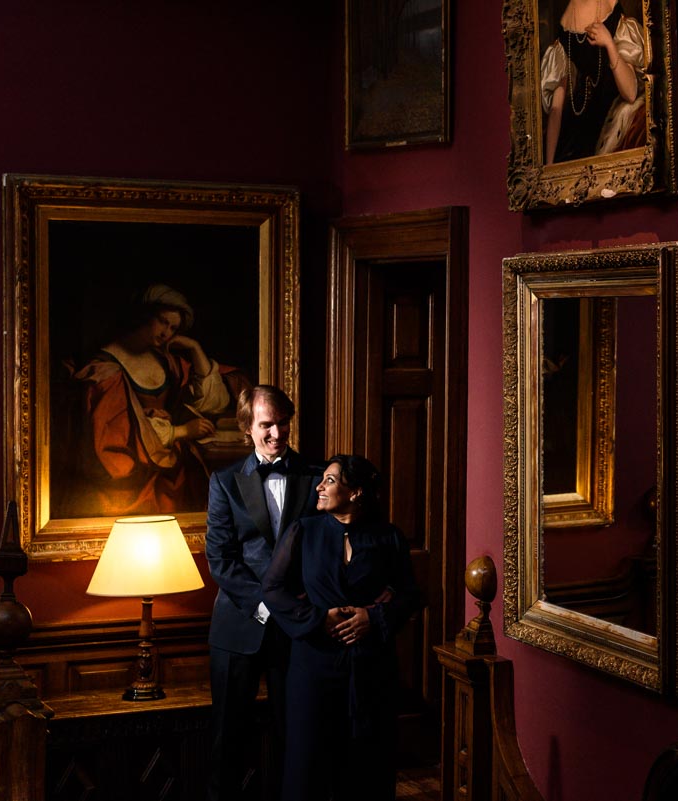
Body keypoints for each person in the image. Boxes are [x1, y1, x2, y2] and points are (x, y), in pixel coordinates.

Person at [262, 454, 420, 801]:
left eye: (330, 481)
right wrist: (319, 619)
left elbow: (410, 594)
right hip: (312, 667)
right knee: (307, 768)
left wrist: (372, 618)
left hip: (371, 670)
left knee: (368, 768)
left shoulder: (388, 537)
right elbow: (273, 589)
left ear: (356, 492)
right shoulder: (304, 531)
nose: (319, 486)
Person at [206, 385, 321, 801]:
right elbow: (220, 558)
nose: (276, 432)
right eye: (266, 424)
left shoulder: (315, 475)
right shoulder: (224, 481)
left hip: (298, 628)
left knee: (296, 739)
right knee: (227, 739)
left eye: (282, 422)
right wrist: (264, 605)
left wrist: (297, 609)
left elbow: (322, 548)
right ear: (247, 428)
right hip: (238, 628)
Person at [70, 284, 245, 517]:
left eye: (173, 328)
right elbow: (115, 438)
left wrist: (195, 348)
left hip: (171, 475)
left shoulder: (165, 360)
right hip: (130, 485)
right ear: (143, 316)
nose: (167, 333)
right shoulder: (106, 370)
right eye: (163, 322)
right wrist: (181, 431)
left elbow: (213, 402)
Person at [540, 0, 644, 164]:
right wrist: (549, 167)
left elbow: (631, 93)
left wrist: (609, 43)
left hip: (611, 119)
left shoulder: (613, 10)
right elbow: (556, 108)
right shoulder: (566, 22)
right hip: (580, 128)